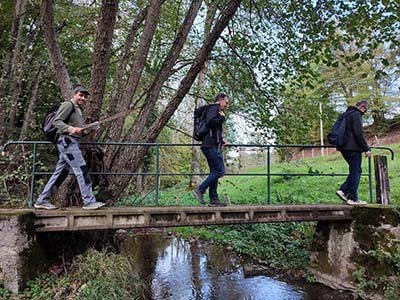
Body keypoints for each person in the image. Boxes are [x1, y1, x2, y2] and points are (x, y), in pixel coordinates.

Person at [34, 86, 105, 210]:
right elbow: (57, 122)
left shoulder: (78, 111)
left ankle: (42, 200)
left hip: (72, 143)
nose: (83, 98)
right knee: (81, 169)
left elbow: (80, 132)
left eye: (85, 96)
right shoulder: (68, 105)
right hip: (67, 143)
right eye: (81, 95)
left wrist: (90, 129)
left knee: (61, 173)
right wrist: (70, 129)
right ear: (75, 94)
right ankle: (89, 202)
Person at [192, 93, 229, 206]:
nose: (227, 105)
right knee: (220, 171)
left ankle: (214, 200)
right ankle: (200, 189)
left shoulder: (214, 109)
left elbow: (212, 129)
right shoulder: (214, 108)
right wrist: (221, 117)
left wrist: (221, 140)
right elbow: (210, 122)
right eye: (226, 102)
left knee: (215, 172)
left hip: (211, 144)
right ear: (220, 100)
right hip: (210, 146)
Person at [335, 100, 371, 205]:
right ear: (362, 107)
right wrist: (366, 149)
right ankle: (352, 198)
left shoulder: (344, 115)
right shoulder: (356, 114)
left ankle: (343, 190)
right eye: (365, 110)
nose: (364, 113)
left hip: (343, 147)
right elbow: (358, 133)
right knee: (356, 171)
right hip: (353, 148)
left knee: (355, 170)